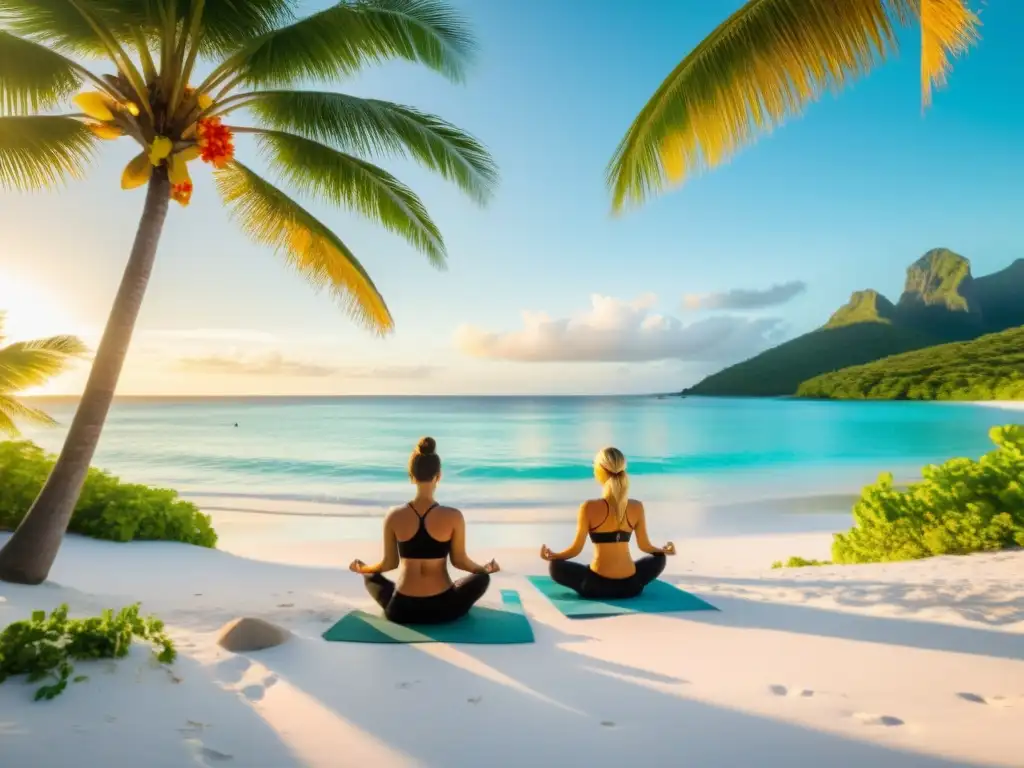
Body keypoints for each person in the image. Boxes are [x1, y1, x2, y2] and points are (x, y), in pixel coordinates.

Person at [349, 436, 500, 624]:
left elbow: (388, 564)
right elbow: (460, 561)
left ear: (411, 476)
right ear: (439, 476)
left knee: (371, 575)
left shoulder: (393, 515)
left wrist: (363, 568)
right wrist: (484, 569)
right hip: (444, 609)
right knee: (482, 578)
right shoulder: (453, 516)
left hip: (401, 609)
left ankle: (364, 570)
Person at [539, 446, 675, 599]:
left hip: (596, 587)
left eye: (594, 465)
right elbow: (645, 546)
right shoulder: (636, 507)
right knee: (659, 558)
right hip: (631, 586)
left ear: (601, 470)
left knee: (556, 566)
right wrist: (663, 551)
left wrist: (554, 556)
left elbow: (575, 550)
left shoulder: (589, 507)